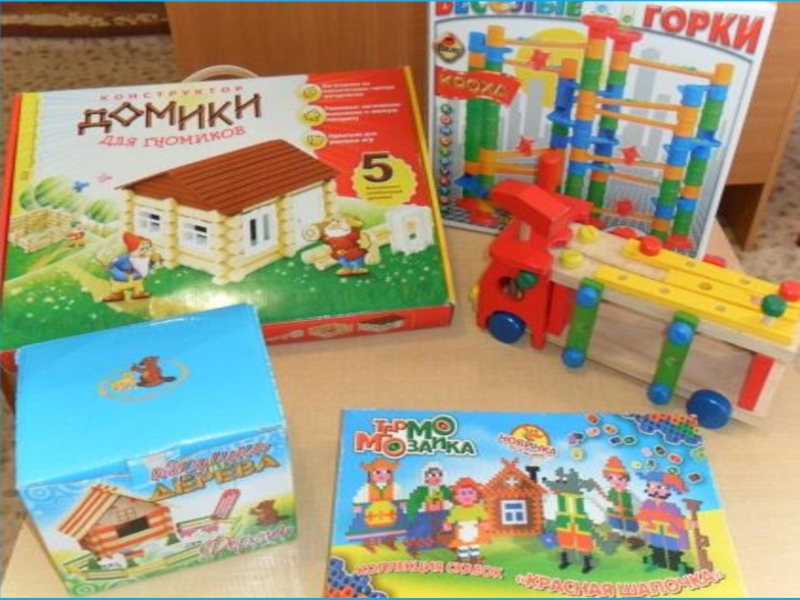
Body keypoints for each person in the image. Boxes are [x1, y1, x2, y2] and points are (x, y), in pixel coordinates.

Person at [637, 471, 695, 574]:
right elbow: (642, 516)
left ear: (668, 490)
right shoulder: (647, 504)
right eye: (651, 486)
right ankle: (657, 562)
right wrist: (642, 524)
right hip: (654, 533)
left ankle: (675, 566)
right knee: (656, 548)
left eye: (659, 487)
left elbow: (678, 520)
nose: (655, 490)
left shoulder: (672, 507)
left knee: (671, 551)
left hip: (670, 536)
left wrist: (686, 524)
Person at [346, 458, 407, 553]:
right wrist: (357, 505)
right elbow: (360, 496)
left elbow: (400, 495)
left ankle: (389, 541)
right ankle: (369, 542)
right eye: (378, 472)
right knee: (370, 529)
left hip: (390, 512)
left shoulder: (394, 487)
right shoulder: (367, 488)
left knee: (391, 527)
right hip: (371, 512)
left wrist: (402, 503)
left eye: (387, 472)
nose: (382, 475)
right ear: (371, 474)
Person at [405, 463, 453, 556]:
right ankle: (414, 547)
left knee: (446, 525)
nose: (437, 478)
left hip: (441, 513)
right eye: (433, 475)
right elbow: (413, 502)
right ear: (426, 478)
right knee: (422, 526)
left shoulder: (444, 489)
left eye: (439, 475)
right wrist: (422, 507)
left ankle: (447, 543)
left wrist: (448, 504)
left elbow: (453, 498)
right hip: (424, 514)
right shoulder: (421, 490)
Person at [443, 477, 491, 564]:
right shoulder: (456, 509)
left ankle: (475, 558)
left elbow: (484, 517)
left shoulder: (478, 508)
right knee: (462, 545)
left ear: (477, 495)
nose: (467, 496)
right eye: (463, 493)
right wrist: (447, 524)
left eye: (471, 493)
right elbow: (451, 518)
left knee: (474, 544)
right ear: (456, 497)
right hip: (462, 529)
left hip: (474, 528)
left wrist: (485, 523)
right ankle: (463, 559)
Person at [103, 232, 161, 302]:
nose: (145, 251)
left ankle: (138, 293)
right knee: (117, 288)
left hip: (137, 279)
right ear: (133, 250)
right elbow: (113, 264)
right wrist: (116, 272)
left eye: (147, 248)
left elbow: (149, 265)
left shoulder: (145, 259)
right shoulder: (125, 258)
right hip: (121, 279)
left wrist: (154, 261)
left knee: (139, 286)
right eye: (142, 249)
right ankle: (117, 294)